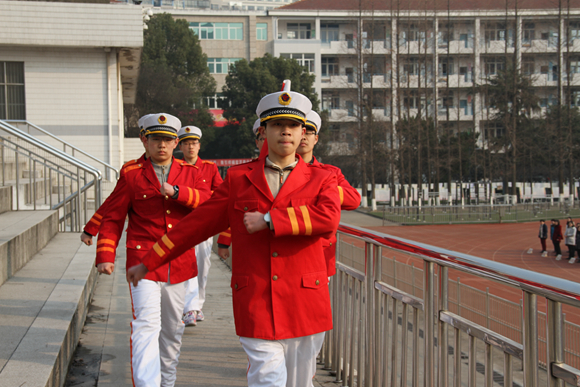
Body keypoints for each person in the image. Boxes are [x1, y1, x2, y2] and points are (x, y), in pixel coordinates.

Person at [127, 81, 341, 387]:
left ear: (303, 132)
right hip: (256, 298)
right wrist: (150, 261)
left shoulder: (323, 178)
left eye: (293, 126)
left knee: (299, 381)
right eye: (277, 124)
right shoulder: (239, 179)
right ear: (263, 132)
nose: (285, 132)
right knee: (267, 377)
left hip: (305, 299)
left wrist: (270, 219)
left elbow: (328, 218)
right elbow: (195, 225)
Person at [96, 113, 211, 387]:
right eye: (156, 139)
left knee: (172, 331)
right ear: (144, 140)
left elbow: (210, 202)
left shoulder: (192, 173)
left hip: (179, 262)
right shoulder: (132, 174)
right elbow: (113, 216)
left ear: (176, 143)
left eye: (168, 140)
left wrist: (177, 193)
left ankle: (167, 381)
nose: (162, 145)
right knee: (146, 326)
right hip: (143, 261)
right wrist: (105, 255)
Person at [296, 110, 361, 276]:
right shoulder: (278, 171)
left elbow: (354, 199)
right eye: (299, 131)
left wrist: (324, 188)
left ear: (316, 138)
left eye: (308, 132)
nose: (304, 137)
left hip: (320, 256)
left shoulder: (330, 173)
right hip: (289, 252)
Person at [177, 125, 224, 326]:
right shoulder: (175, 167)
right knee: (187, 264)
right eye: (186, 143)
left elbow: (221, 192)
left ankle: (198, 304)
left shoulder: (210, 167)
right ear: (180, 145)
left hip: (204, 223)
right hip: (182, 222)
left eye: (194, 143)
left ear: (199, 145)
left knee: (203, 265)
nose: (190, 147)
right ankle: (190, 308)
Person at [80, 115, 152, 246]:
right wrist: (91, 228)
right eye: (152, 137)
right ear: (143, 138)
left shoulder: (183, 170)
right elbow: (113, 203)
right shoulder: (131, 171)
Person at [217, 118, 265, 261]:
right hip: (252, 251)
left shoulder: (312, 174)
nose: (268, 143)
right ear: (257, 142)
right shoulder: (241, 175)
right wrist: (224, 242)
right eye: (263, 138)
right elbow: (231, 211)